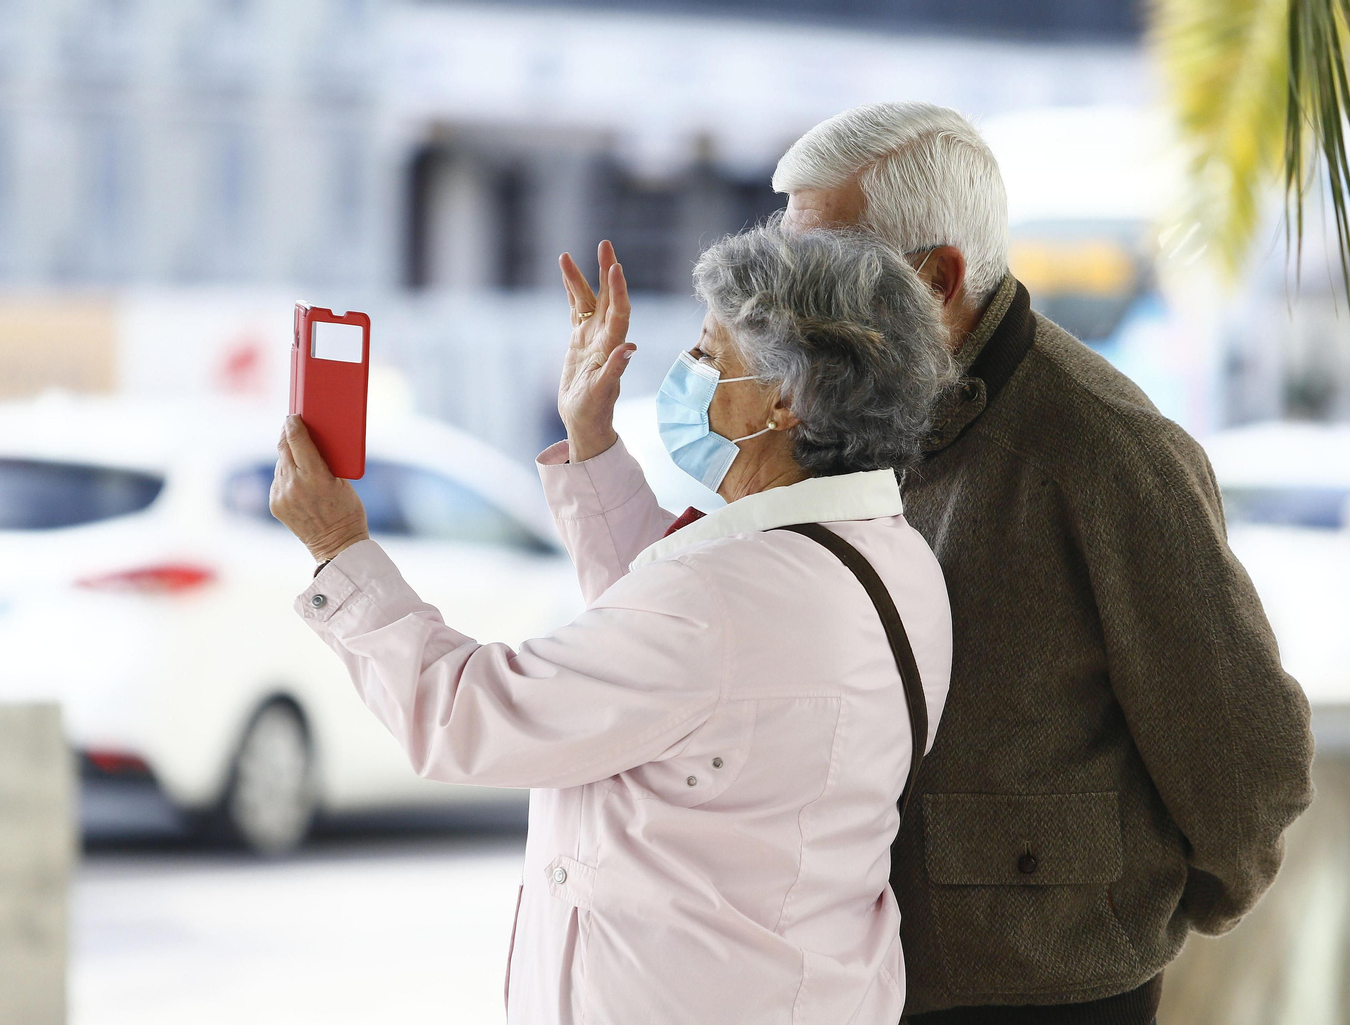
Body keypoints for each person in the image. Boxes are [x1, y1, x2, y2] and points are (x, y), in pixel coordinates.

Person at [270, 224, 956, 1024]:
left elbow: (466, 717)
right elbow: (667, 670)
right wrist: (591, 441)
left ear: (786, 399)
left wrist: (338, 548)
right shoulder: (892, 560)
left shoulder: (723, 601)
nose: (686, 374)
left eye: (710, 352)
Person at [773, 102, 1316, 1024]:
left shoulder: (1108, 451)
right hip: (860, 977)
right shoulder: (843, 417)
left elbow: (1248, 759)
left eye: (821, 271)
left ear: (938, 278)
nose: (788, 303)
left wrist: (1117, 919)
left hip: (1052, 992)